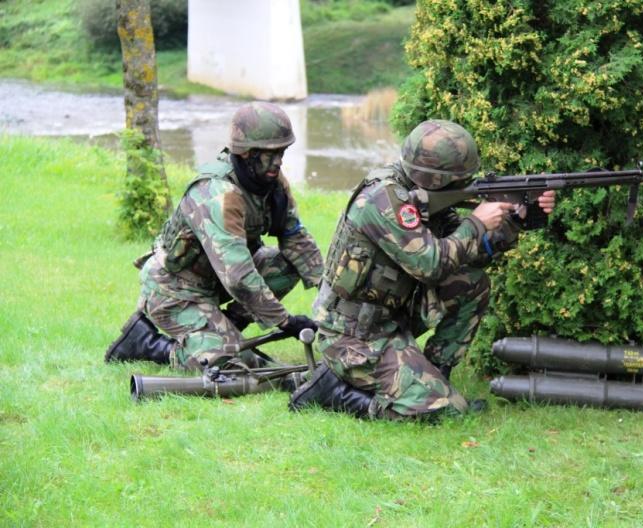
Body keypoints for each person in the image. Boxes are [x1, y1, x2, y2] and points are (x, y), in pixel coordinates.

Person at [289, 119, 555, 419]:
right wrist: (476, 223)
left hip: (391, 317)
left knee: (471, 282)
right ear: (437, 180)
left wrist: (516, 220)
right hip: (353, 334)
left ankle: (437, 377)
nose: (465, 187)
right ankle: (332, 392)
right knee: (448, 413)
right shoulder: (384, 199)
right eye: (460, 181)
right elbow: (430, 265)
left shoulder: (423, 196)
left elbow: (467, 255)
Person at [105, 102, 322, 371]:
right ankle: (145, 343)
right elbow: (239, 277)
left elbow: (296, 239)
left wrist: (329, 295)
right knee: (229, 362)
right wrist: (285, 322)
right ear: (246, 153)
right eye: (270, 154)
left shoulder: (272, 183)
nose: (278, 161)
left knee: (286, 264)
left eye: (282, 152)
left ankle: (226, 327)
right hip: (176, 290)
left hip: (215, 282)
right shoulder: (218, 193)